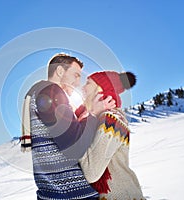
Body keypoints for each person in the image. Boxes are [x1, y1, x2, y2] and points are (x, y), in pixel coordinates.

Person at [21, 53, 116, 200]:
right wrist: (94, 114)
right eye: (76, 75)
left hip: (52, 194)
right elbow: (75, 147)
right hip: (74, 195)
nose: (78, 82)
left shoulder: (40, 93)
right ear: (59, 71)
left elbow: (65, 134)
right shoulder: (51, 92)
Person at [78, 71, 146, 200]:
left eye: (88, 83)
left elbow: (91, 172)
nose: (82, 87)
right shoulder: (93, 117)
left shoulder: (111, 119)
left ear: (100, 89)